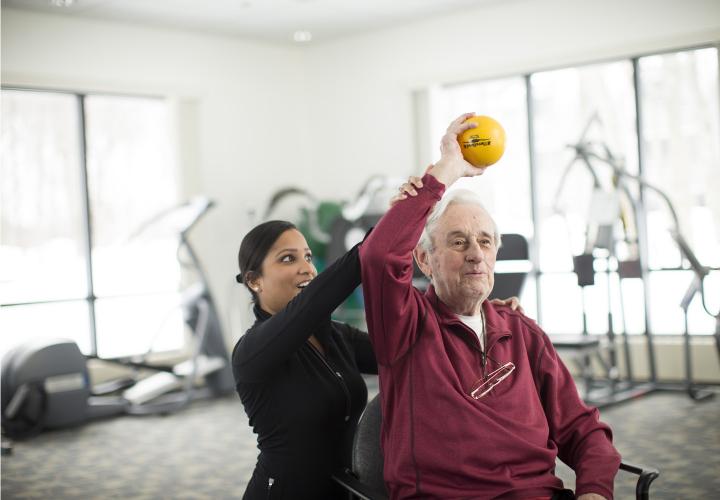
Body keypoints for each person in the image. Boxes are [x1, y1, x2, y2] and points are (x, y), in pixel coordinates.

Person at [360, 113, 622, 500]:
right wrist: (446, 171)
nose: (475, 255)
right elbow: (379, 256)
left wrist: (595, 492)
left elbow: (584, 431)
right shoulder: (405, 325)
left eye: (484, 241)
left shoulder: (520, 331)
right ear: (425, 260)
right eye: (459, 242)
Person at [231, 190, 524, 499]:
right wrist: (389, 231)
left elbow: (417, 344)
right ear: (254, 281)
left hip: (345, 491)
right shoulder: (251, 354)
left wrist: (478, 313)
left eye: (307, 256)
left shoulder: (335, 336)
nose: (306, 267)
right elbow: (315, 302)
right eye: (287, 259)